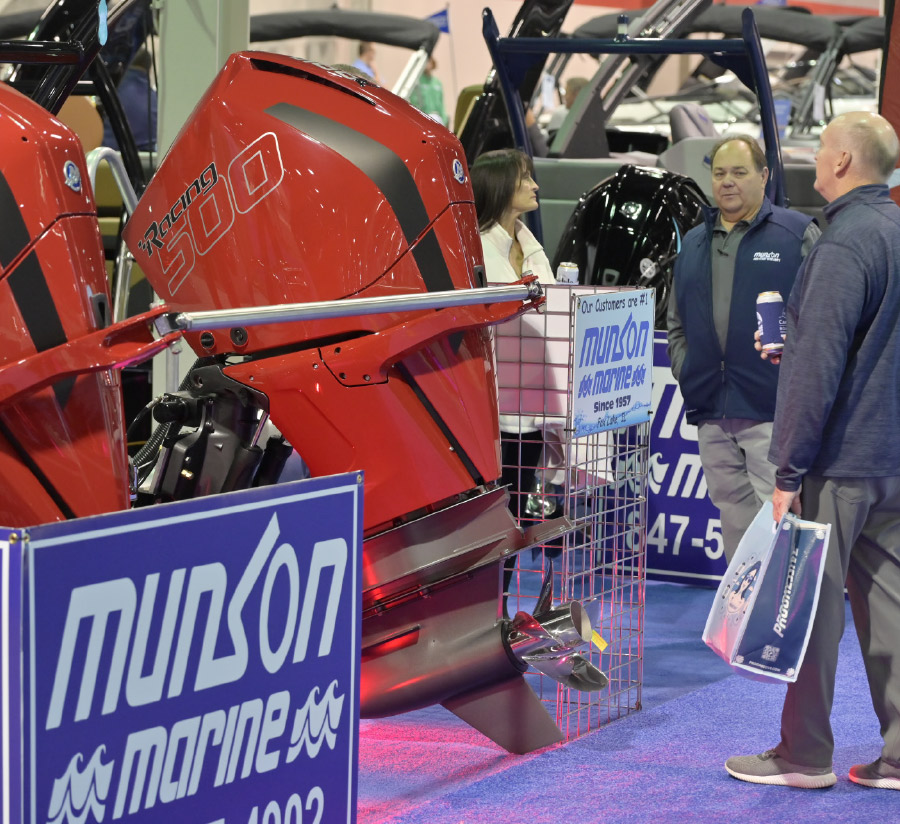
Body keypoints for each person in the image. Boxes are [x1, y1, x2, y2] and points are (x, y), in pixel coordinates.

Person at [725, 111, 900, 791]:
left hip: (838, 463)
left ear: (845, 164)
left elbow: (817, 364)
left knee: (811, 618)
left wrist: (789, 467)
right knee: (890, 607)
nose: (815, 160)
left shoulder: (843, 242)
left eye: (823, 149)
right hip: (891, 459)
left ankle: (803, 755)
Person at [667, 135, 820, 562]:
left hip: (772, 411)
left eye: (739, 172)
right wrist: (688, 369)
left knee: (781, 523)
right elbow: (675, 322)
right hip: (711, 410)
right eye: (719, 173)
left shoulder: (796, 234)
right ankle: (742, 617)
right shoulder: (693, 242)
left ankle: (780, 620)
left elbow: (823, 322)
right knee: (732, 516)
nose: (727, 182)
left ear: (764, 175)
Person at [471, 149, 556, 609]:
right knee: (498, 519)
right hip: (498, 412)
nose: (535, 186)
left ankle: (499, 612)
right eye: (525, 178)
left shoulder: (529, 240)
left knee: (519, 512)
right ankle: (489, 612)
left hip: (536, 406)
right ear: (503, 187)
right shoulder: (481, 249)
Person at [101, 48, 157, 152]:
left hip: (110, 158)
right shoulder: (154, 98)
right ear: (149, 69)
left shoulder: (116, 91)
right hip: (145, 162)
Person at [409, 56, 447, 126]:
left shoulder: (437, 82)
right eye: (426, 61)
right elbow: (414, 101)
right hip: (424, 118)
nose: (427, 64)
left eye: (429, 61)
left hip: (438, 118)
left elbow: (441, 102)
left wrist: (444, 119)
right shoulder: (417, 82)